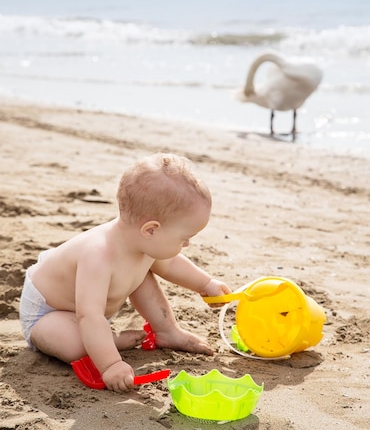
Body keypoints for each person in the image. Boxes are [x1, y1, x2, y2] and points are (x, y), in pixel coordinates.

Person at [19, 153, 230, 392]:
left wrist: (206, 283)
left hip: (90, 307)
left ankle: (167, 331)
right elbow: (89, 316)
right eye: (185, 238)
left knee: (144, 273)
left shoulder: (141, 241)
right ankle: (112, 342)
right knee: (74, 344)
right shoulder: (98, 256)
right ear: (151, 229)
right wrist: (110, 365)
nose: (187, 245)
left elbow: (170, 264)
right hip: (50, 311)